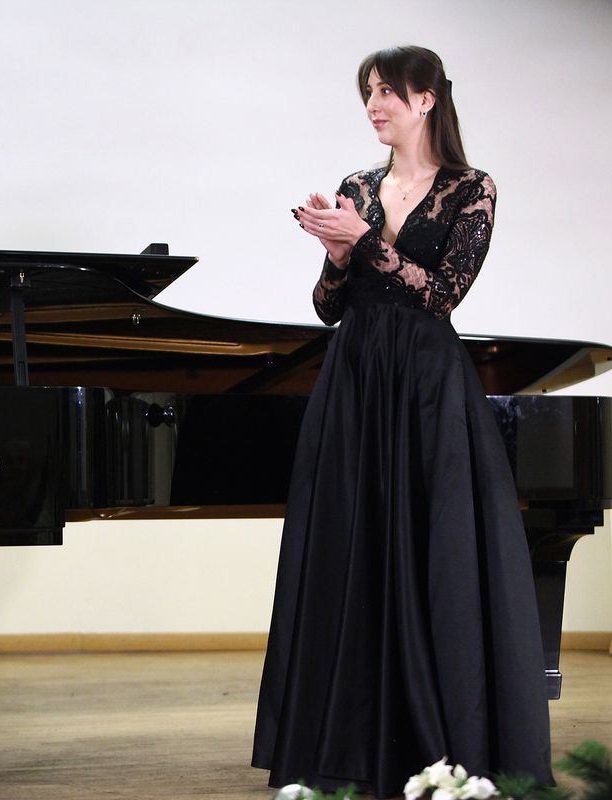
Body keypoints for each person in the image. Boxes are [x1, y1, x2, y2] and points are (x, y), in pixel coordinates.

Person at [251, 46, 554, 797]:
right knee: (350, 546)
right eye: (369, 92)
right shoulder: (358, 186)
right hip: (355, 381)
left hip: (425, 386)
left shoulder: (471, 188)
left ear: (427, 99)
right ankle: (347, 744)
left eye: (387, 91)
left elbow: (442, 294)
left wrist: (365, 242)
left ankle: (440, 741)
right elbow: (328, 307)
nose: (373, 105)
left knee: (433, 549)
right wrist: (336, 254)